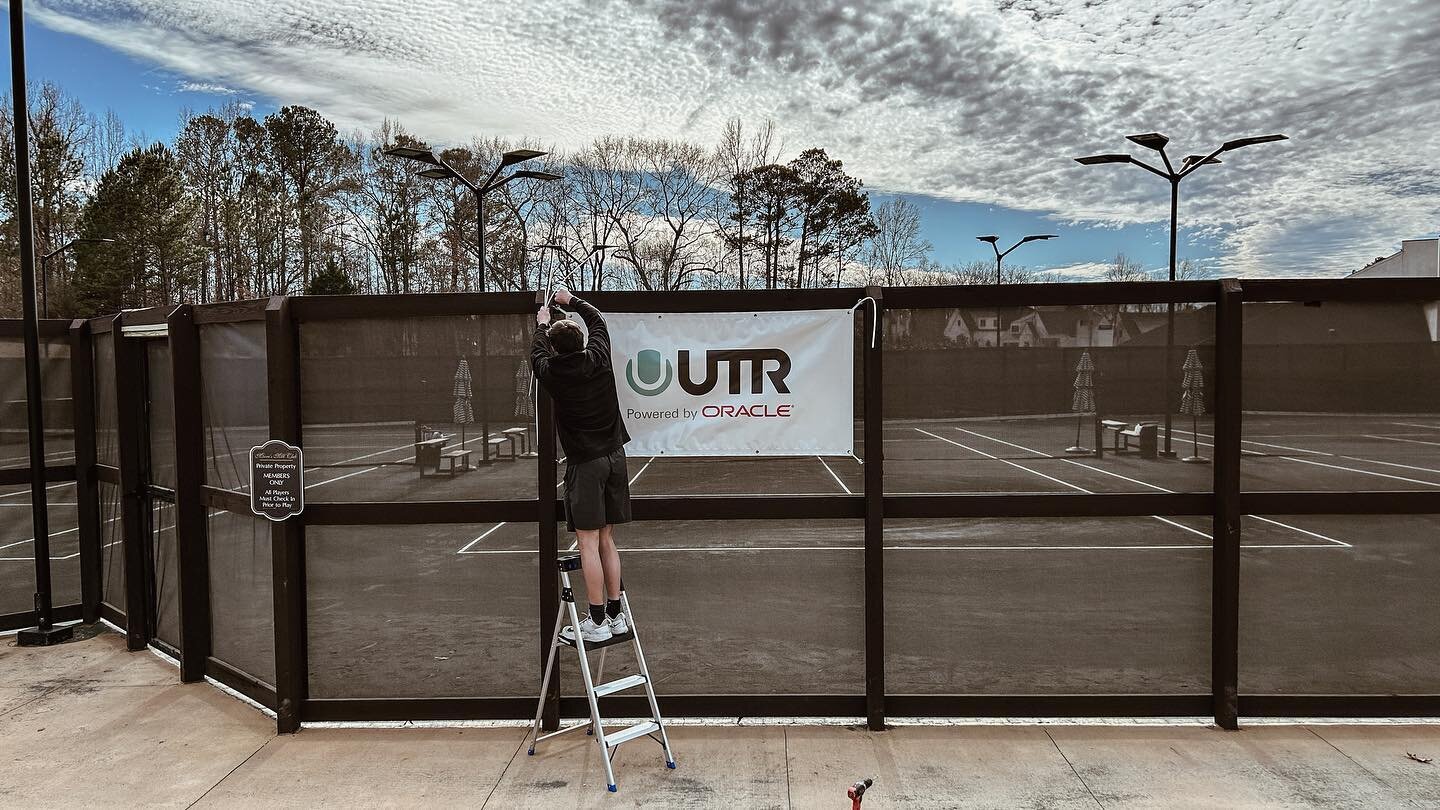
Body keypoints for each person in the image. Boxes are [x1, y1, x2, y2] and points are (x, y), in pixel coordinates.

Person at [532, 287, 633, 643]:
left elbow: (536, 353)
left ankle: (595, 622)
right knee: (607, 539)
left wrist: (542, 323)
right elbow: (598, 321)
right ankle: (616, 615)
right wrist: (570, 301)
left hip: (586, 464)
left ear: (557, 347)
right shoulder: (599, 356)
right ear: (581, 341)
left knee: (587, 544)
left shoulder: (552, 371)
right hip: (614, 458)